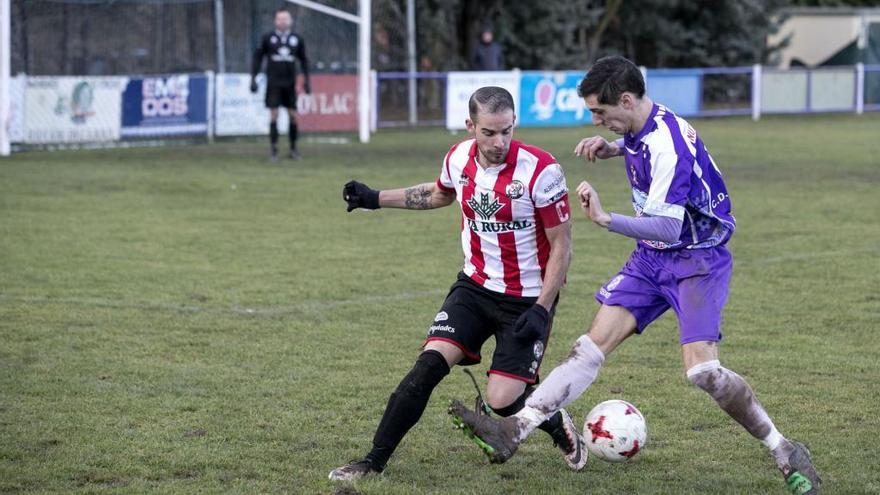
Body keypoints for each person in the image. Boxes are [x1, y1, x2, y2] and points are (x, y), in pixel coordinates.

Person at [448, 56, 821, 495]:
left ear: (625, 100)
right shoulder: (644, 127)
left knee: (703, 372)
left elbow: (668, 226)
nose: (596, 120)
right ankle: (513, 430)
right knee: (588, 347)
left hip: (696, 260)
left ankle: (784, 449)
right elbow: (642, 152)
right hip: (652, 259)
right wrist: (613, 147)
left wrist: (607, 219)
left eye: (601, 113)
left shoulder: (668, 146)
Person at [329, 86, 586, 481]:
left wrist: (541, 306)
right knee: (428, 366)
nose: (499, 142)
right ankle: (372, 462)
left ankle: (555, 423)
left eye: (507, 131)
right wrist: (374, 198)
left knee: (503, 402)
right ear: (471, 127)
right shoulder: (458, 158)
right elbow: (437, 194)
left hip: (526, 298)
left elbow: (562, 246)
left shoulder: (541, 170)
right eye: (489, 132)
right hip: (474, 287)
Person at [250, 8, 311, 161]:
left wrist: (307, 81)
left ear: (290, 21)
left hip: (290, 84)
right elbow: (258, 58)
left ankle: (293, 149)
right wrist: (253, 78)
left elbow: (304, 61)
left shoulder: (297, 39)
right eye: (279, 19)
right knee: (274, 115)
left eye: (285, 19)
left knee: (293, 116)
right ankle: (274, 150)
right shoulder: (268, 38)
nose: (282, 21)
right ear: (275, 21)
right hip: (274, 83)